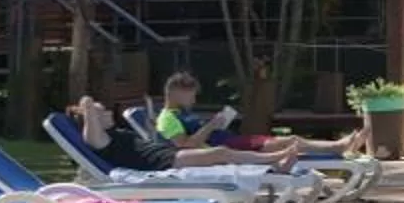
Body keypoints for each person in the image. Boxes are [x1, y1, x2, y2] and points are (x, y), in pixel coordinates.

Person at [74, 94, 322, 173]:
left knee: (223, 158)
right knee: (222, 153)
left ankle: (275, 167)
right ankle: (273, 162)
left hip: (168, 155)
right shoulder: (100, 140)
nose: (106, 112)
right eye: (100, 112)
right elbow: (92, 136)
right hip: (162, 163)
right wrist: (87, 106)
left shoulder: (115, 133)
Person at [153, 72, 358, 160]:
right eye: (191, 95)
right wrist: (210, 126)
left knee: (289, 143)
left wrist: (216, 124)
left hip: (230, 142)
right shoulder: (167, 118)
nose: (194, 100)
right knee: (290, 142)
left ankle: (339, 148)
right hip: (226, 149)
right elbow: (184, 146)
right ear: (176, 92)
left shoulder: (181, 113)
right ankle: (338, 146)